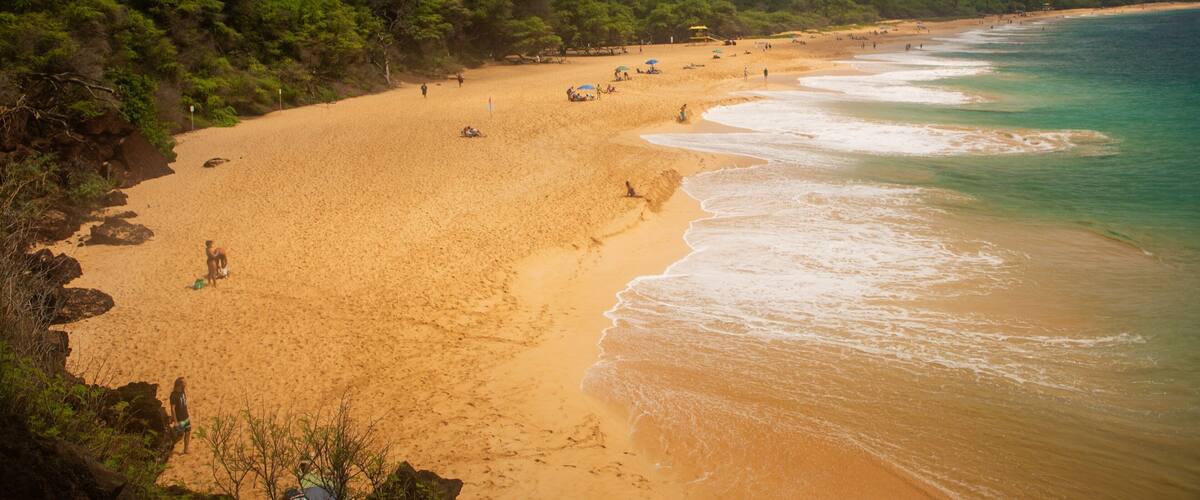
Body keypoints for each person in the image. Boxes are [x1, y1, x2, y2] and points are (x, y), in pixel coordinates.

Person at [169, 377, 191, 454]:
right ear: (179, 384)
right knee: (179, 436)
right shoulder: (174, 395)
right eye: (184, 383)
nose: (185, 384)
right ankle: (168, 447)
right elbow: (173, 409)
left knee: (188, 432)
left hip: (185, 416)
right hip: (179, 419)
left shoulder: (183, 392)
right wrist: (175, 421)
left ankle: (186, 449)